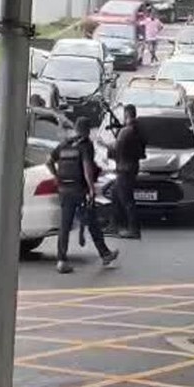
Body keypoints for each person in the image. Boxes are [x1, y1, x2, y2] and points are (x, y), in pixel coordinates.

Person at [46, 117, 119, 274]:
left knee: (65, 225)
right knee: (92, 221)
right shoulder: (85, 145)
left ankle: (61, 260)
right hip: (79, 190)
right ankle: (105, 254)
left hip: (64, 190)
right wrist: (92, 189)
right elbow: (87, 168)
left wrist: (56, 176)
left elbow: (48, 161)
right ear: (86, 130)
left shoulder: (65, 144)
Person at [109, 104, 147, 239]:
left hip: (124, 168)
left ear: (126, 114)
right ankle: (114, 224)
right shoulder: (139, 130)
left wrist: (109, 147)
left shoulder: (126, 131)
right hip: (132, 167)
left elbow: (116, 150)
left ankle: (133, 228)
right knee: (115, 194)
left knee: (126, 199)